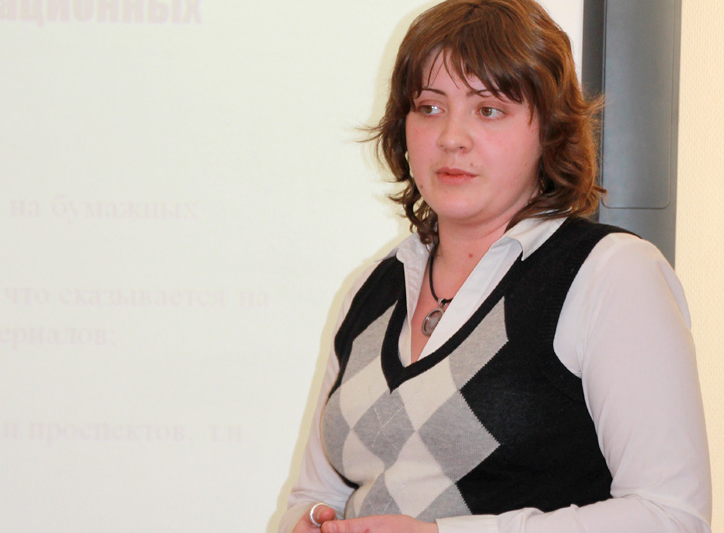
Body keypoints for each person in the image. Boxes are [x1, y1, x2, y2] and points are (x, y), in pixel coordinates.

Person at [278, 0, 712, 531]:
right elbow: (317, 493)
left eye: (488, 110)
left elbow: (671, 515)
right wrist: (308, 520)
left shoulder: (611, 274)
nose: (450, 137)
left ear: (549, 131)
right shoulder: (372, 286)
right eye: (429, 107)